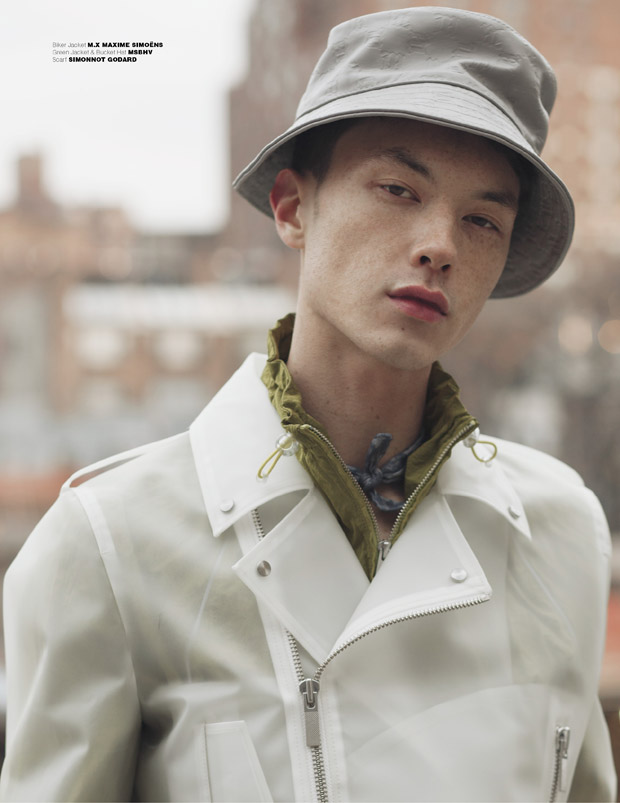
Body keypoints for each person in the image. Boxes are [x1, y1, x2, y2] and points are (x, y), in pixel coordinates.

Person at [0, 7, 616, 802]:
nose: (441, 244)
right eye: (398, 189)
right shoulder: (109, 545)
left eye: (482, 219)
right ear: (293, 207)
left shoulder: (562, 533)